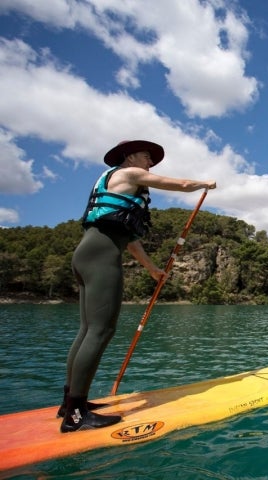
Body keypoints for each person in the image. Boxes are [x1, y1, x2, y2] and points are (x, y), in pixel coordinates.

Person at [59, 140, 216, 433]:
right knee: (100, 331)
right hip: (100, 257)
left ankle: (69, 404)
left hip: (87, 255)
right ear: (130, 156)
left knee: (86, 330)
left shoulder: (117, 186)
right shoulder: (128, 173)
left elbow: (130, 241)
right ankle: (76, 416)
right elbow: (180, 183)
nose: (150, 162)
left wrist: (153, 270)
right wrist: (204, 183)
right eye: (146, 156)